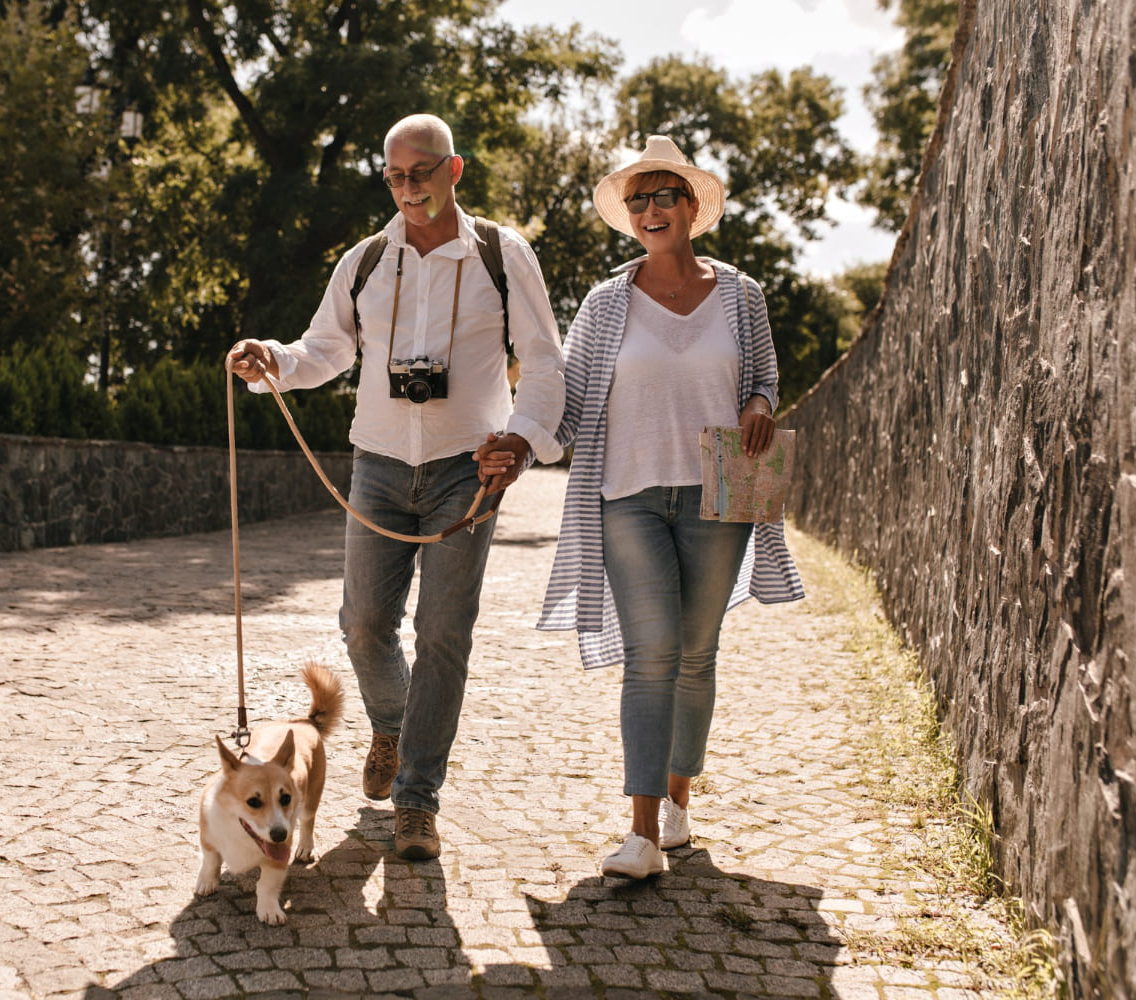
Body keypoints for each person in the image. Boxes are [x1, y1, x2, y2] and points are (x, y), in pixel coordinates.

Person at [228, 113, 566, 861]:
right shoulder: (366, 260)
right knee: (363, 625)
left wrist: (520, 440)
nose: (408, 189)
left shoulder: (503, 257)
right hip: (378, 463)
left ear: (456, 171)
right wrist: (270, 361)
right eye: (394, 176)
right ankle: (394, 723)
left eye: (421, 173)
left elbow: (544, 365)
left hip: (466, 467)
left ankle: (416, 797)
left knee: (444, 634)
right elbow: (325, 349)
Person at [490, 135, 805, 879]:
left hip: (717, 495)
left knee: (697, 656)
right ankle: (639, 836)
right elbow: (566, 405)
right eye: (639, 198)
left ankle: (676, 805)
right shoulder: (604, 303)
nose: (651, 208)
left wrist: (759, 404)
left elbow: (762, 374)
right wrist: (517, 442)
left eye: (666, 195)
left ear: (693, 206)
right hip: (625, 495)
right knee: (652, 654)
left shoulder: (741, 293)